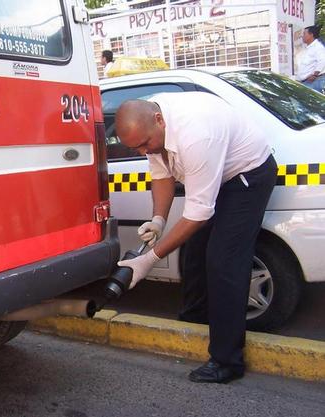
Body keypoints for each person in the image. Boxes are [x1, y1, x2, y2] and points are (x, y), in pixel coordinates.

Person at [115, 93, 277, 383]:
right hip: (220, 173)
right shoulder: (151, 128)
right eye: (136, 148)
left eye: (144, 145)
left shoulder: (197, 136)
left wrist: (147, 260)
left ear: (159, 120)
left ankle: (227, 361)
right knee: (193, 250)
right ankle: (195, 318)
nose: (142, 152)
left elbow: (198, 215)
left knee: (224, 261)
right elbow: (162, 176)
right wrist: (158, 220)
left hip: (246, 178)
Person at [295, 25, 325, 93]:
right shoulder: (309, 48)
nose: (302, 36)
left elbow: (323, 60)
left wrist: (315, 75)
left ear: (311, 35)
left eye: (304, 33)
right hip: (307, 83)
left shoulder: (318, 47)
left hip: (314, 82)